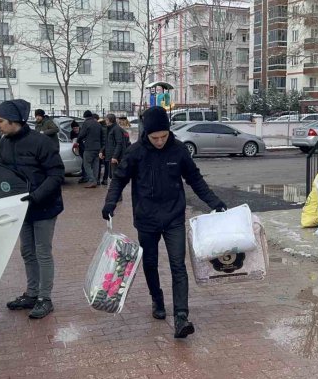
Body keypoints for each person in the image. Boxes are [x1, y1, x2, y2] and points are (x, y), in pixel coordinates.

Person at [102, 106, 227, 339]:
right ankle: (157, 300)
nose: (160, 141)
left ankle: (181, 316)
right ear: (146, 134)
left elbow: (195, 180)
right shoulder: (136, 152)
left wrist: (214, 202)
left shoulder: (179, 151)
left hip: (173, 218)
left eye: (164, 136)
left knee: (178, 265)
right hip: (146, 219)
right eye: (155, 137)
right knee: (149, 264)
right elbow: (119, 179)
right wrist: (111, 203)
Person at [0, 99, 65, 319]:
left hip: (44, 206)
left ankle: (46, 298)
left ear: (14, 121)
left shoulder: (41, 142)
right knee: (27, 251)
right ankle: (32, 294)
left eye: (0, 121)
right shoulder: (4, 142)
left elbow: (56, 174)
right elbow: (4, 173)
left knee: (42, 251)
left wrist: (35, 197)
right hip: (21, 208)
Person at [78, 110, 104, 188]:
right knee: (96, 165)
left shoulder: (86, 123)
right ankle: (95, 181)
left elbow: (82, 134)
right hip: (98, 148)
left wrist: (78, 141)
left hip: (89, 147)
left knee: (86, 164)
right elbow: (102, 136)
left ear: (85, 117)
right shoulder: (98, 124)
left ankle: (92, 180)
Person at [100, 114, 124, 186]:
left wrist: (115, 156)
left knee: (115, 178)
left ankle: (117, 196)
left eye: (106, 119)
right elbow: (107, 143)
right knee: (111, 176)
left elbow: (119, 143)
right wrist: (102, 151)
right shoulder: (109, 128)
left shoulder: (116, 129)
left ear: (110, 120)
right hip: (110, 157)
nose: (105, 121)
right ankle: (116, 196)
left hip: (114, 158)